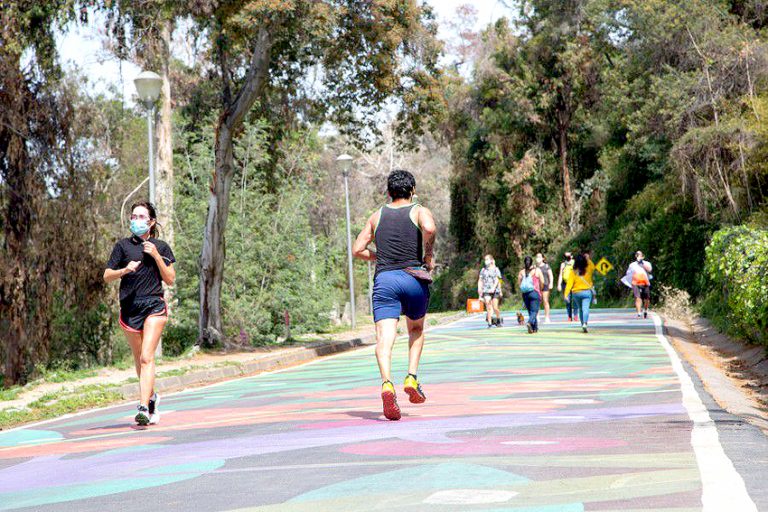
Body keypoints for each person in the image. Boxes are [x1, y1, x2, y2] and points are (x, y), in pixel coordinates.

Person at [352, 170, 436, 421]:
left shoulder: (377, 216)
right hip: (412, 277)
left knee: (384, 338)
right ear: (412, 191)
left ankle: (387, 383)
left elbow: (357, 250)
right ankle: (411, 376)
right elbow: (430, 228)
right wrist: (428, 257)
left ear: (389, 193)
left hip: (385, 280)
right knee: (416, 330)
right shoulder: (419, 210)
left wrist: (379, 256)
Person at [104, 202, 175, 426]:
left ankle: (143, 407)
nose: (136, 220)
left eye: (141, 216)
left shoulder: (161, 247)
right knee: (139, 361)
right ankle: (152, 397)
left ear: (151, 221)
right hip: (130, 308)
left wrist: (155, 255)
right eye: (134, 216)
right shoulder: (123, 246)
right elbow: (107, 275)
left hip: (154, 305)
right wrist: (124, 270)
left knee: (147, 357)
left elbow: (170, 279)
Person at [563, 252, 596, 333]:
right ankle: (585, 323)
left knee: (580, 309)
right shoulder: (588, 268)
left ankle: (582, 325)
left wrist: (566, 294)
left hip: (576, 293)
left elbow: (569, 284)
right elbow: (593, 266)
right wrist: (588, 259)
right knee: (586, 308)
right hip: (586, 292)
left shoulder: (573, 272)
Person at [622, 250, 653, 318]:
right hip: (635, 283)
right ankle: (639, 313)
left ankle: (645, 310)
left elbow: (649, 270)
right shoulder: (632, 265)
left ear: (643, 256)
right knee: (637, 297)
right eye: (637, 255)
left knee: (646, 299)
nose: (638, 256)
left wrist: (642, 263)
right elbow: (628, 274)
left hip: (645, 282)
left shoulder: (647, 263)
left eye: (640, 255)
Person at [518, 256, 544, 334]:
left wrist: (523, 290)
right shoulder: (537, 270)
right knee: (534, 311)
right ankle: (529, 322)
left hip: (525, 294)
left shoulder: (521, 272)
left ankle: (534, 328)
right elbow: (542, 282)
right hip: (535, 292)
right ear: (532, 262)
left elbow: (519, 284)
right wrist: (541, 290)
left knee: (530, 311)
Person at [478, 255, 503, 328]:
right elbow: (480, 280)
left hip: (495, 290)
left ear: (491, 260)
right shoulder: (483, 270)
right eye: (485, 259)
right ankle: (489, 323)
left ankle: (498, 319)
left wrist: (497, 289)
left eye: (487, 259)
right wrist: (479, 290)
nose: (486, 261)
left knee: (495, 307)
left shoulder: (496, 269)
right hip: (486, 290)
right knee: (488, 306)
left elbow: (499, 280)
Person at [557, 252, 576, 322]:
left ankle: (576, 315)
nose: (567, 257)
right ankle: (569, 316)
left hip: (574, 283)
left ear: (572, 256)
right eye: (566, 256)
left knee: (575, 299)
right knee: (567, 300)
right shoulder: (563, 264)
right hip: (565, 284)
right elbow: (560, 275)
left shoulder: (574, 263)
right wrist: (559, 284)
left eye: (569, 255)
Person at [536, 253, 554, 324]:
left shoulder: (546, 266)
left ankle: (547, 317)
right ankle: (537, 316)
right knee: (537, 301)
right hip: (537, 286)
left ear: (543, 258)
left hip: (546, 285)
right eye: (537, 257)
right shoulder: (535, 267)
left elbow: (550, 275)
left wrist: (551, 283)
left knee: (545, 301)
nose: (538, 258)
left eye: (539, 257)